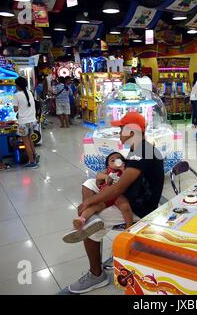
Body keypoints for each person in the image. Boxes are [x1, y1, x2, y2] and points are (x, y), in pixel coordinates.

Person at [67, 112, 164, 294]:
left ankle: (96, 275)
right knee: (88, 184)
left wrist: (89, 202)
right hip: (131, 195)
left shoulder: (143, 151)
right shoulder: (140, 148)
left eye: (122, 128)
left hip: (139, 207)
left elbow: (119, 188)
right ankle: (93, 217)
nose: (119, 131)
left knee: (88, 230)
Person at [66, 152, 133, 236]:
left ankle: (129, 228)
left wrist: (123, 169)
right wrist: (105, 177)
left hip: (119, 195)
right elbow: (98, 176)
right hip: (106, 195)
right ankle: (81, 220)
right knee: (94, 207)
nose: (115, 159)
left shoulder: (125, 171)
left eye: (117, 159)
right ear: (108, 165)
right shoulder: (108, 171)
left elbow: (127, 178)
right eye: (111, 160)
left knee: (125, 206)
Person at [13, 76, 39, 169]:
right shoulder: (30, 93)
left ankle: (32, 162)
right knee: (30, 139)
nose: (15, 86)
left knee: (26, 142)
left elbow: (15, 110)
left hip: (23, 122)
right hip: (32, 121)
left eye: (16, 85)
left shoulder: (16, 95)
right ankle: (35, 156)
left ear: (18, 85)